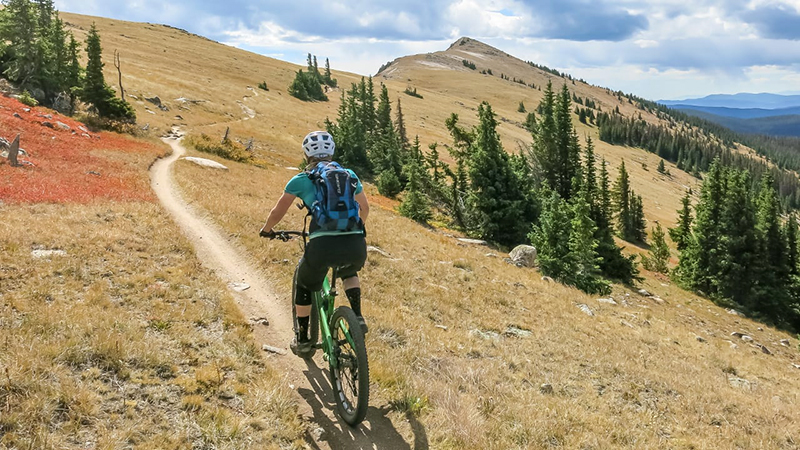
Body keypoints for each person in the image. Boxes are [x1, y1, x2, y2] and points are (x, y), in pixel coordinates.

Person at [260, 131, 369, 355]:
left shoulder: (302, 179)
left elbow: (278, 210)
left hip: (322, 246)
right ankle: (357, 316)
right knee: (349, 272)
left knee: (304, 283)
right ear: (331, 152)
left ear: (307, 154)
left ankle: (303, 339)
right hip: (355, 242)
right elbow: (364, 209)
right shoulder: (348, 175)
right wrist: (354, 230)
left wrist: (267, 230)